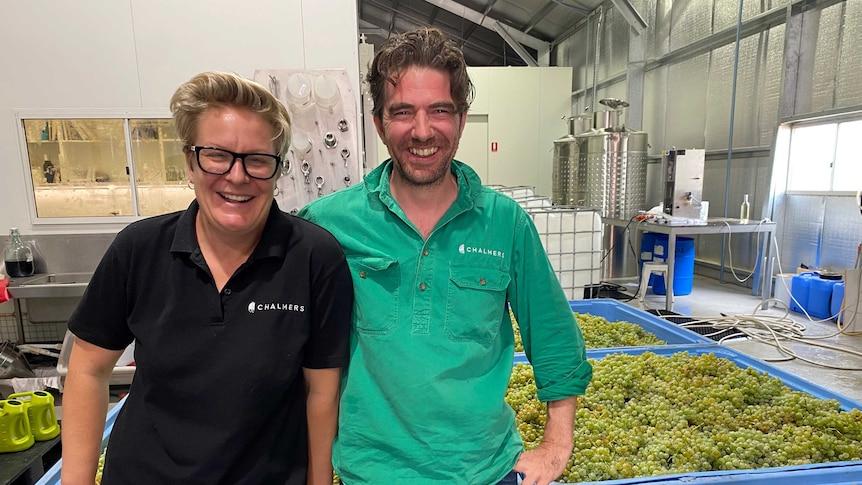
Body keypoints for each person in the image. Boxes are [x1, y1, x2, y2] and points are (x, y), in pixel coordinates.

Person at [298, 27, 592, 485]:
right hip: (367, 474)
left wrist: (557, 445)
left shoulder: (505, 222)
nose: (422, 131)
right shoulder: (327, 223)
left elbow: (554, 338)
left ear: (461, 119)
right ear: (379, 123)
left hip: (485, 472)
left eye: (439, 110)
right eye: (402, 112)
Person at [61, 71, 353, 485]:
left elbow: (321, 393)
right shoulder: (138, 250)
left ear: (278, 170)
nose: (237, 176)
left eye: (257, 159)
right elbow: (88, 370)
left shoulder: (313, 257)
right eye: (216, 155)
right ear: (189, 161)